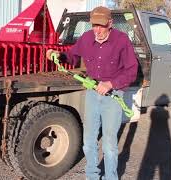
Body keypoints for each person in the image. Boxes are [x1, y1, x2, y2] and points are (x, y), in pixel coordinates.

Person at [46, 6, 138, 180]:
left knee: (110, 144)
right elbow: (72, 56)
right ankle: (92, 176)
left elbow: (131, 71)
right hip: (92, 94)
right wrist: (58, 55)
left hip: (113, 96)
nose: (97, 30)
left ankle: (111, 177)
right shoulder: (86, 38)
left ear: (110, 23)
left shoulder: (122, 40)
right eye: (94, 25)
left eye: (102, 26)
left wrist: (111, 83)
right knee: (89, 142)